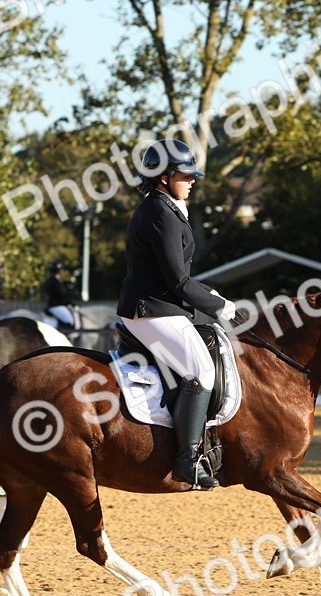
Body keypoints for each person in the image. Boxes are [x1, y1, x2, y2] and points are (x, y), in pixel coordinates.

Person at [117, 138, 236, 491]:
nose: (193, 180)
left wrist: (211, 295)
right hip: (150, 310)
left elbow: (178, 274)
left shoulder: (165, 208)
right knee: (200, 371)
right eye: (186, 174)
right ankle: (187, 460)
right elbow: (178, 279)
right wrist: (219, 307)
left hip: (162, 305)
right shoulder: (158, 212)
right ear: (164, 177)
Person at [44, 261, 76, 330]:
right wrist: (71, 304)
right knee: (69, 321)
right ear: (58, 270)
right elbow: (61, 295)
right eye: (62, 270)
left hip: (58, 305)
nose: (63, 271)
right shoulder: (54, 281)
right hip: (56, 306)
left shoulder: (58, 281)